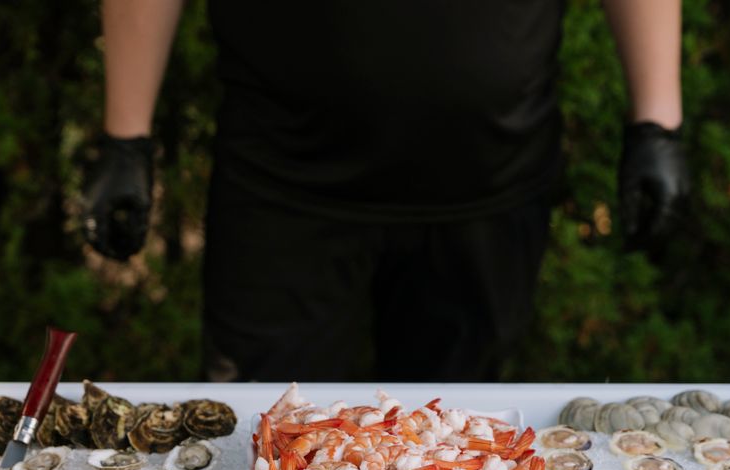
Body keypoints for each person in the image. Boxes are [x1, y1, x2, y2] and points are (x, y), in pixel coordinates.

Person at [84, 0, 688, 382]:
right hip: (282, 189)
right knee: (267, 459)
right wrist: (125, 137)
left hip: (488, 185)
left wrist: (656, 120)